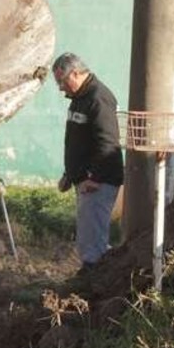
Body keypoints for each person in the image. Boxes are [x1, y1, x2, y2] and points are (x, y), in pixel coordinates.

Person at [52, 53, 124, 273]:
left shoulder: (98, 98)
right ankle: (93, 277)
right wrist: (71, 174)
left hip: (97, 181)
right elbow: (78, 143)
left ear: (75, 73)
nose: (61, 88)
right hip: (86, 180)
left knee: (92, 241)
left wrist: (91, 178)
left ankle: (94, 282)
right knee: (88, 236)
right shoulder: (80, 98)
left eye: (62, 81)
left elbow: (107, 143)